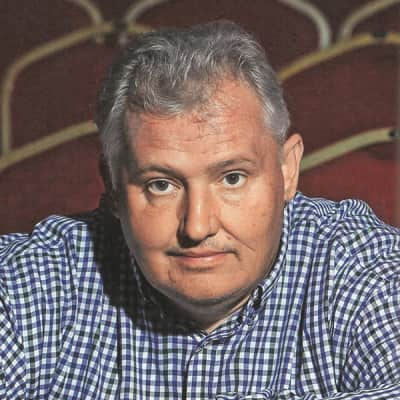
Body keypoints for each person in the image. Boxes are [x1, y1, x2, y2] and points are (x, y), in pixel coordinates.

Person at [1, 20, 399, 400]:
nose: (197, 226)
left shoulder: (358, 269)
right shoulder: (43, 281)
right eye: (161, 185)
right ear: (114, 187)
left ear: (287, 170)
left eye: (232, 178)